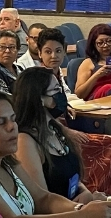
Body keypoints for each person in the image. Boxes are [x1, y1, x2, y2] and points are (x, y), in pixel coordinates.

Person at [0, 91, 111, 218]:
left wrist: (80, 208)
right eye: (0, 122)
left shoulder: (7, 160)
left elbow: (43, 199)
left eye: (13, 119)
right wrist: (82, 217)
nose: (11, 127)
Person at [13, 68, 105, 202]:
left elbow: (74, 180)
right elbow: (42, 202)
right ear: (40, 98)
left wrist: (88, 195)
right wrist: (85, 203)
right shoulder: (25, 142)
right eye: (56, 90)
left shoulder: (54, 129)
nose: (61, 95)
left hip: (77, 211)